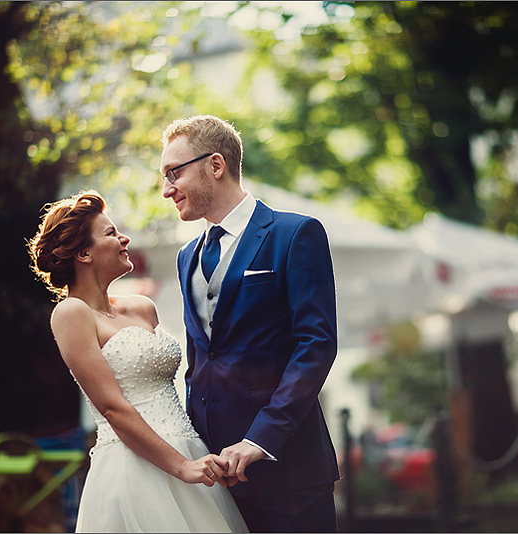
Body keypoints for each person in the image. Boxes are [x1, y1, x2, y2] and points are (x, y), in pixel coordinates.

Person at [160, 115, 340, 533]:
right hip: (215, 476)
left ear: (216, 165)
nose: (167, 189)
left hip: (290, 470)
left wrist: (261, 439)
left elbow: (315, 346)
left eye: (174, 173)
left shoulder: (295, 234)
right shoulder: (187, 256)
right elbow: (201, 361)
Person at [27, 191, 248, 533]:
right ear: (83, 253)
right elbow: (112, 407)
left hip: (190, 446)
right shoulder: (71, 313)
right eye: (111, 233)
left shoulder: (142, 307)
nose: (124, 238)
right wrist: (181, 467)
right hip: (135, 467)